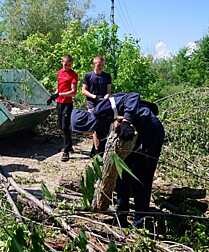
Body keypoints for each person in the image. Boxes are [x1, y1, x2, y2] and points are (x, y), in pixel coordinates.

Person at [70, 92, 164, 227]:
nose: (84, 134)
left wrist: (127, 121)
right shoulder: (99, 132)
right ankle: (121, 217)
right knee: (121, 175)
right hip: (131, 141)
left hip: (149, 129)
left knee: (142, 176)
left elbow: (132, 96)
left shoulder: (102, 108)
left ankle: (140, 221)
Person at [47, 55, 78, 162]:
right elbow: (59, 87)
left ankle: (66, 151)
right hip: (59, 103)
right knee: (60, 125)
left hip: (67, 104)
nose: (67, 66)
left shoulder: (73, 75)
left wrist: (60, 94)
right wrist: (53, 96)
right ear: (62, 62)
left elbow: (73, 92)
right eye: (65, 64)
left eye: (69, 65)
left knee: (65, 126)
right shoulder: (59, 73)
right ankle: (69, 145)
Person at [81, 55, 112, 156]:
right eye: (98, 64)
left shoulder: (107, 76)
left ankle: (96, 150)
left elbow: (109, 91)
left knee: (102, 128)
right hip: (92, 104)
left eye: (102, 65)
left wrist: (106, 97)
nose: (100, 67)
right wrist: (94, 97)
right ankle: (97, 151)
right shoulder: (88, 76)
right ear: (94, 64)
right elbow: (83, 90)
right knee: (95, 127)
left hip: (103, 105)